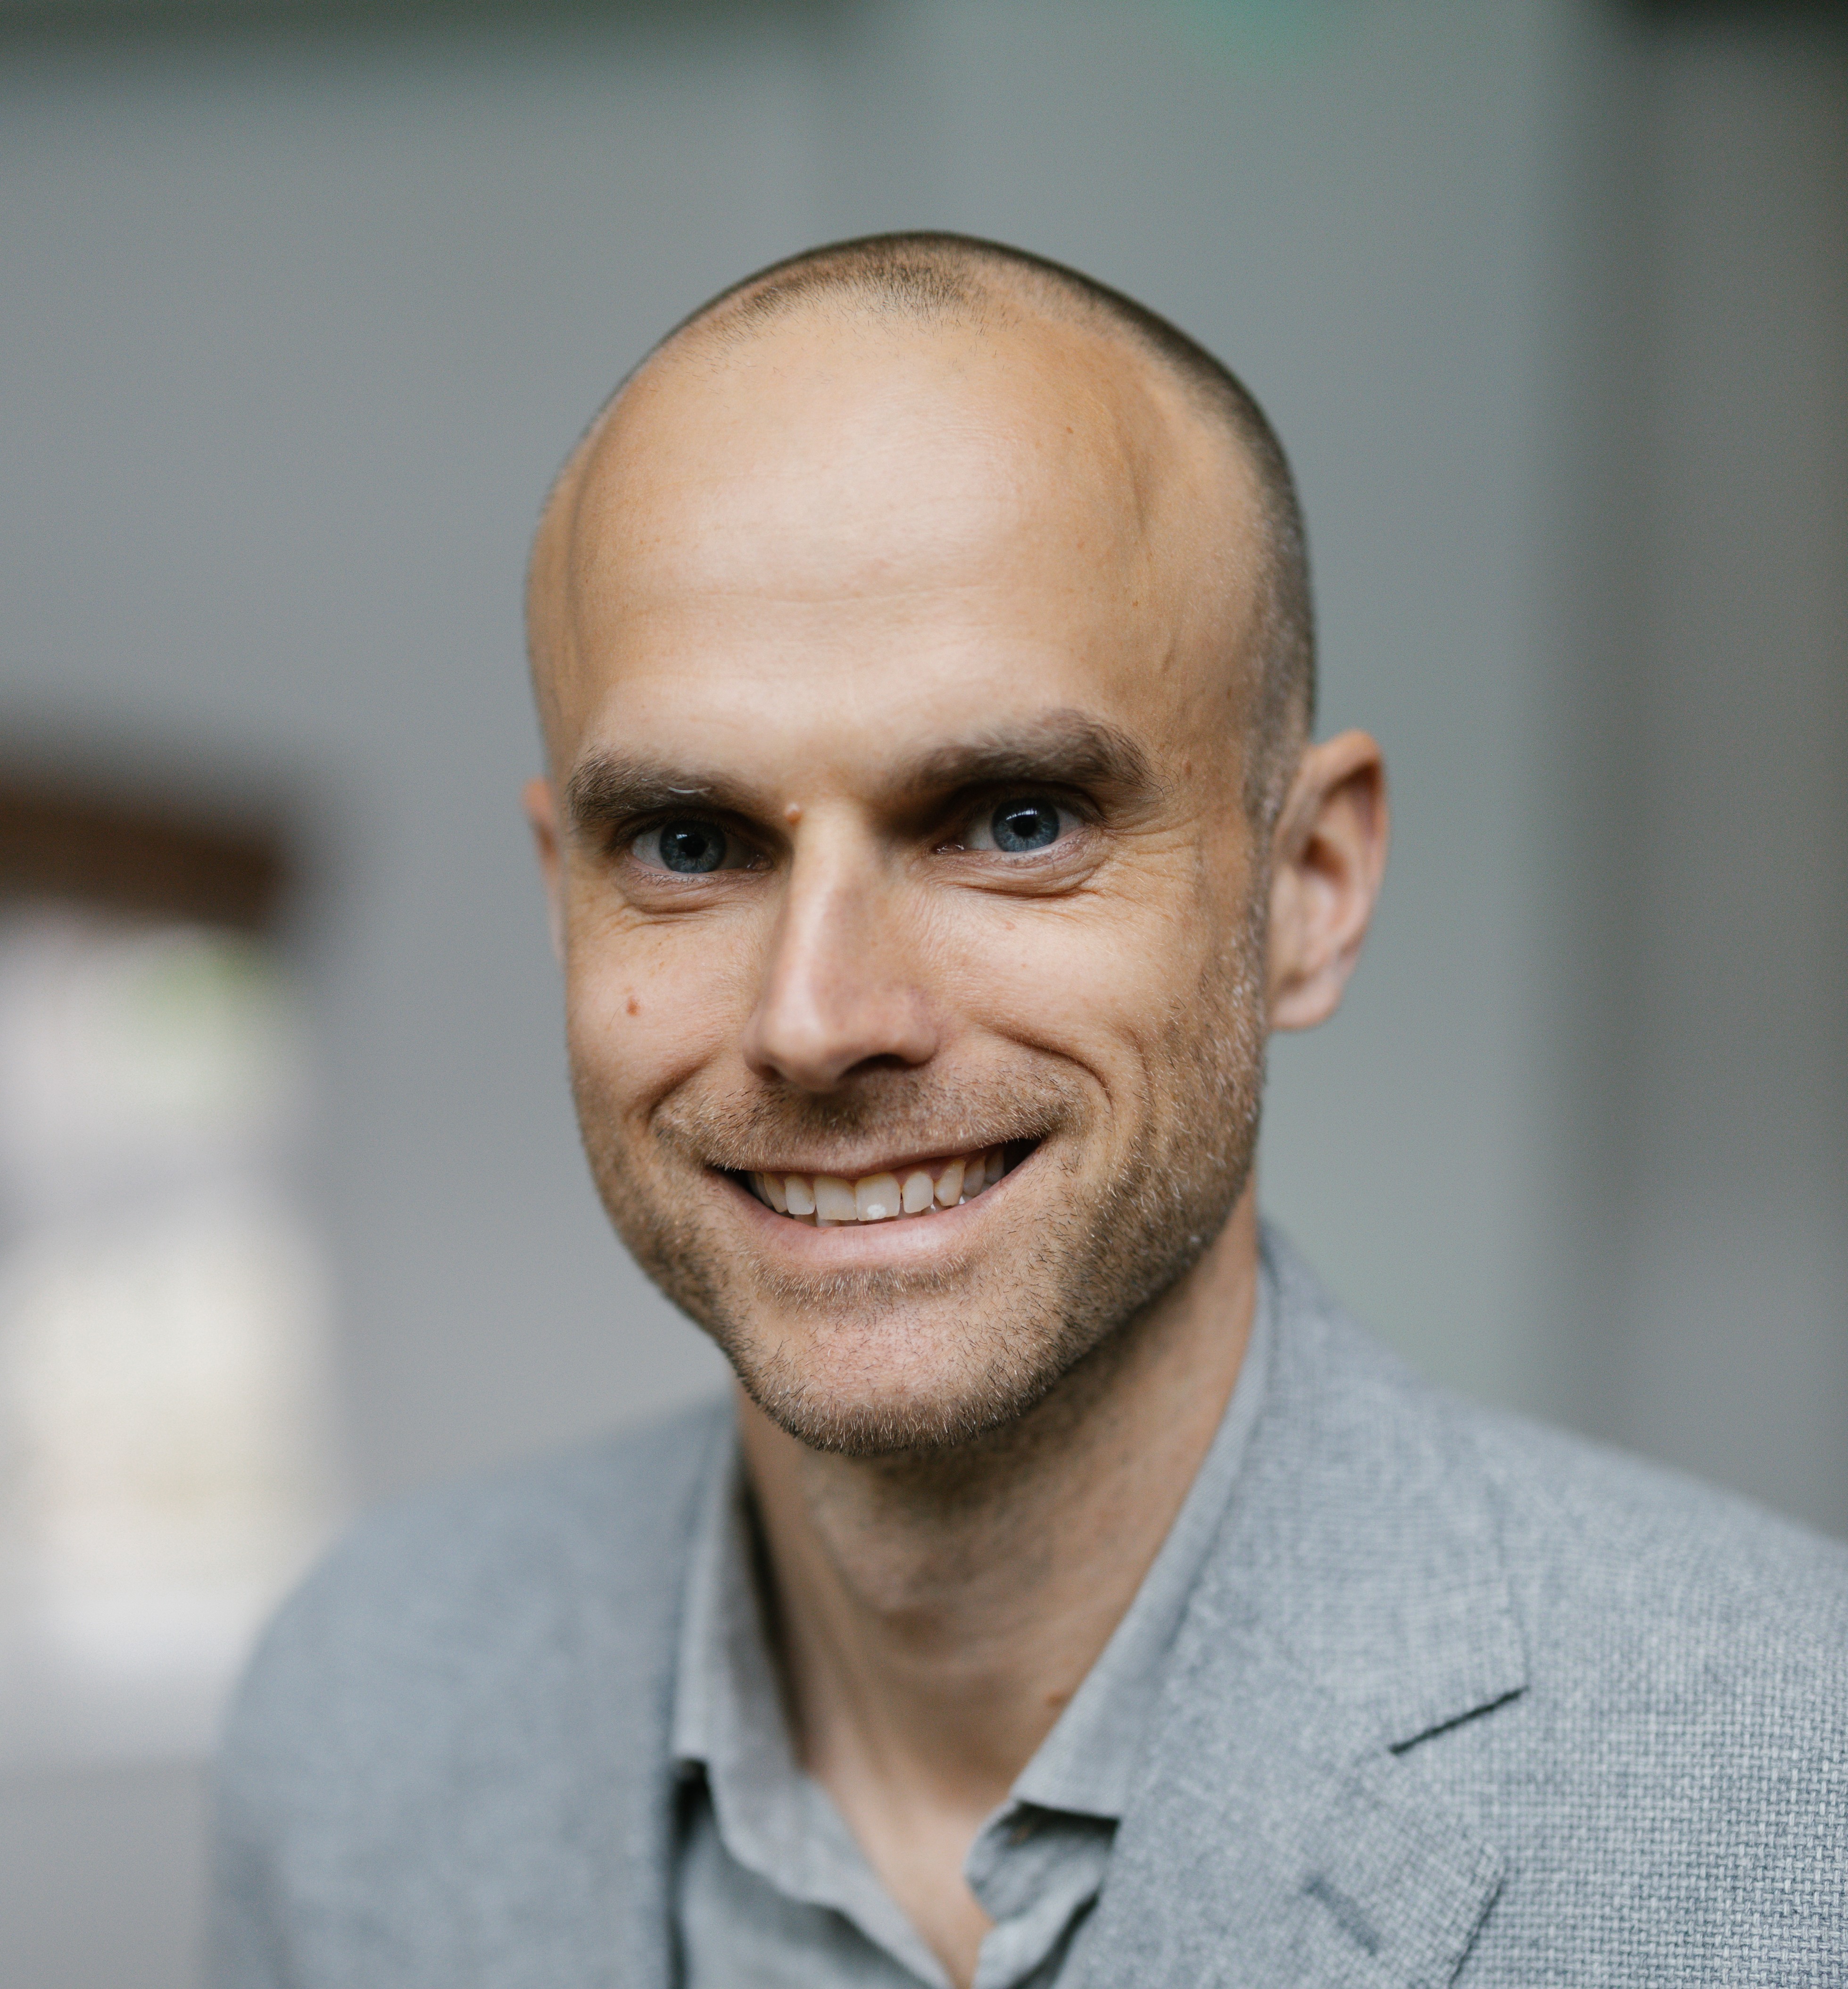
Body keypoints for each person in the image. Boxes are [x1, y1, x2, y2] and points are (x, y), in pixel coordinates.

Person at [209, 234, 1848, 1989]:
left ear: (1309, 884)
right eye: (690, 842)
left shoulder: (1791, 1794)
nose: (817, 1018)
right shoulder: (354, 1716)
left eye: (1014, 820)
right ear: (566, 903)